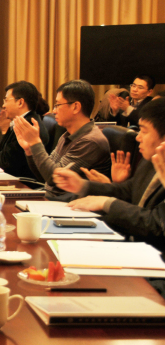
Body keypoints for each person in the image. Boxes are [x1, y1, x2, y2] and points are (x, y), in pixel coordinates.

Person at [52, 98, 165, 252]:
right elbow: (128, 190)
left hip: (152, 255)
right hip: (130, 243)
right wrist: (82, 185)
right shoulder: (151, 161)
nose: (138, 137)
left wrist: (107, 203)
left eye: (144, 131)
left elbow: (155, 225)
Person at [14, 79, 111, 201]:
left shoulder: (91, 141)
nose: (54, 111)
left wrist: (35, 142)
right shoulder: (67, 135)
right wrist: (29, 150)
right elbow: (44, 176)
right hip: (52, 199)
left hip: (68, 205)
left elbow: (54, 178)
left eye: (58, 105)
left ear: (75, 107)